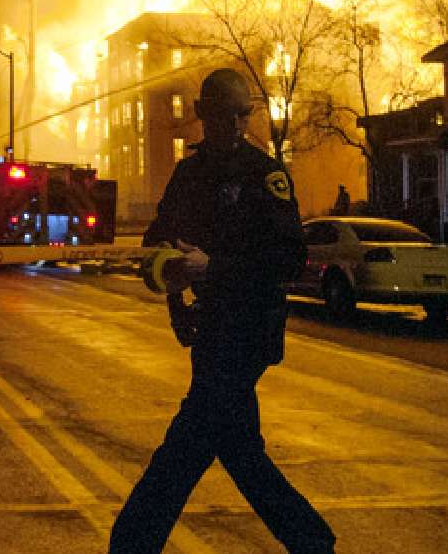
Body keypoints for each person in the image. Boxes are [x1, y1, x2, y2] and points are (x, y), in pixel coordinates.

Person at [109, 69, 336, 554]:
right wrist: (175, 295)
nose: (234, 125)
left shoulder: (265, 176)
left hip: (250, 328)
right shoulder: (189, 176)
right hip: (211, 326)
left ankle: (131, 542)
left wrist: (213, 267)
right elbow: (159, 243)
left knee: (188, 442)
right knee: (238, 449)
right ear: (202, 114)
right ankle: (312, 541)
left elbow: (288, 258)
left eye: (242, 115)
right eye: (224, 115)